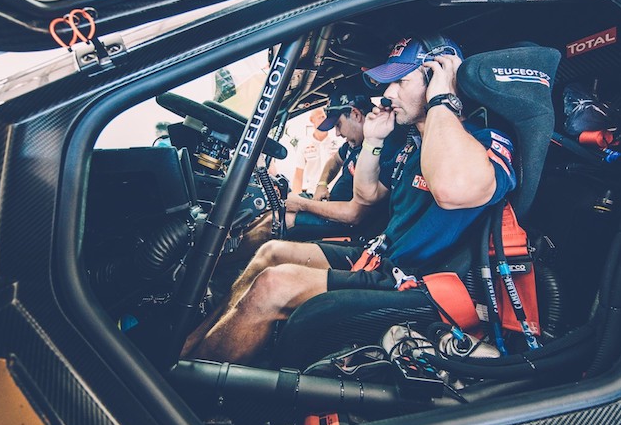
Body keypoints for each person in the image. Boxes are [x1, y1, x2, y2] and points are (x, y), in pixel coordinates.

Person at [182, 35, 517, 364]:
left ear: (436, 78)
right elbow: (368, 195)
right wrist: (373, 140)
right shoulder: (412, 146)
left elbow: (453, 191)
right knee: (270, 252)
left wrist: (444, 98)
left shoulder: (485, 141)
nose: (388, 93)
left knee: (273, 285)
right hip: (379, 258)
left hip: (415, 280)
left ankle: (193, 384)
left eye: (401, 81)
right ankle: (186, 350)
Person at [283, 92, 387, 235]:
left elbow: (354, 214)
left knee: (276, 221)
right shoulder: (353, 143)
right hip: (331, 208)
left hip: (347, 226)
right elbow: (335, 161)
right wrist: (322, 184)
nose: (337, 133)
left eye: (339, 125)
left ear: (356, 115)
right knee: (276, 211)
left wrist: (303, 204)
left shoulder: (381, 150)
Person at [292, 108, 342, 195]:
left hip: (336, 193)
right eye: (321, 117)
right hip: (313, 194)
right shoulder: (304, 144)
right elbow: (298, 175)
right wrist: (296, 198)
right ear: (312, 120)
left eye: (326, 117)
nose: (324, 120)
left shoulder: (338, 141)